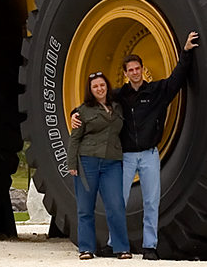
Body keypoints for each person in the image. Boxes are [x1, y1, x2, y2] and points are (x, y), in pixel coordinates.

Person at [72, 32, 198, 260]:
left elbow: (178, 78)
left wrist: (186, 52)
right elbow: (93, 102)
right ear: (125, 73)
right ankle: (113, 244)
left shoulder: (157, 91)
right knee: (117, 202)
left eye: (137, 68)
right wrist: (74, 113)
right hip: (126, 157)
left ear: (142, 69)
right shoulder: (118, 96)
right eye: (130, 70)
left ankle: (150, 246)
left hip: (150, 155)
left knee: (151, 200)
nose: (134, 72)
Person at [66, 71, 131, 260]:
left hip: (112, 162)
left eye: (102, 85)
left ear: (107, 86)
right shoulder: (83, 111)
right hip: (88, 161)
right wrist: (72, 164)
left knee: (116, 205)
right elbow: (74, 138)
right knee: (85, 207)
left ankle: (121, 248)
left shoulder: (117, 107)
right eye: (95, 86)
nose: (99, 89)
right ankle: (86, 248)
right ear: (90, 90)